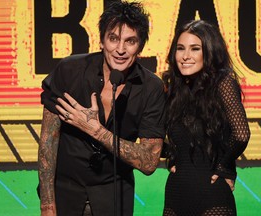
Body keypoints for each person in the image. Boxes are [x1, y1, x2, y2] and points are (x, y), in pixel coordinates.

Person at [38, 1, 166, 216]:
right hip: (65, 193)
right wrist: (47, 204)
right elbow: (47, 144)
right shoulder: (69, 70)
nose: (120, 50)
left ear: (141, 46)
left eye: (130, 41)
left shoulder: (151, 88)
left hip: (114, 194)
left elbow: (149, 162)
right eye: (113, 39)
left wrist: (95, 129)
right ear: (101, 41)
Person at [162, 20, 250, 216]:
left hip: (211, 193)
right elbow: (156, 134)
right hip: (176, 192)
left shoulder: (223, 81)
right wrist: (172, 156)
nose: (185, 56)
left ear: (209, 52)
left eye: (195, 49)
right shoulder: (175, 90)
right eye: (180, 48)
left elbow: (242, 134)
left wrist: (224, 166)